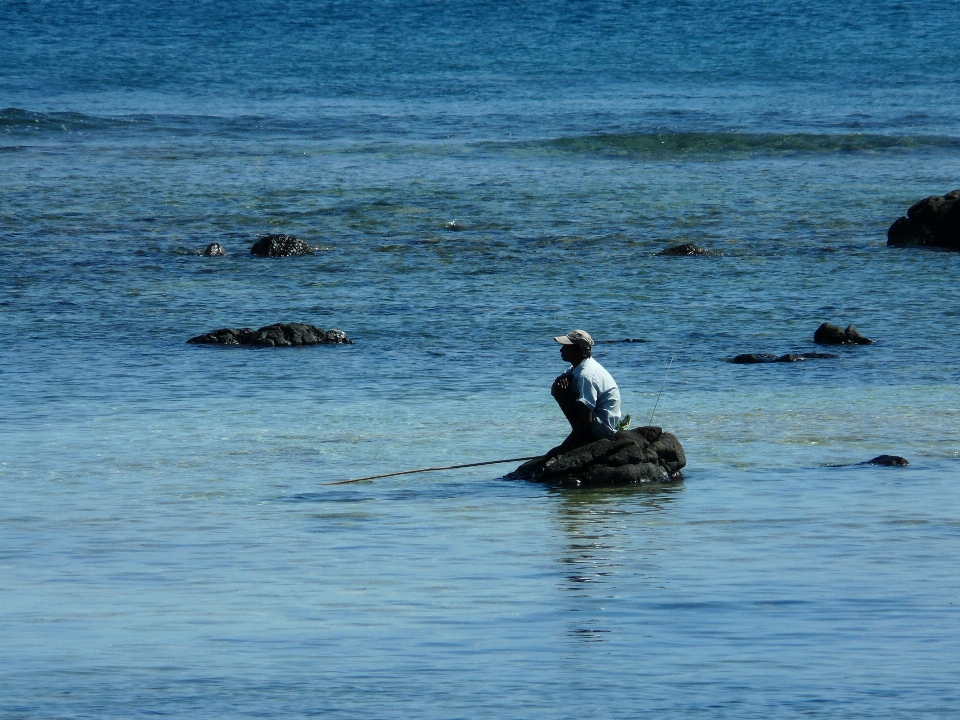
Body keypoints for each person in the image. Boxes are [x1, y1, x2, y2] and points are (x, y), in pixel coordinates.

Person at [548, 329, 622, 458]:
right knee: (560, 389)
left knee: (562, 391)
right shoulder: (579, 367)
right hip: (597, 419)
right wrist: (561, 382)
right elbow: (555, 386)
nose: (561, 350)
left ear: (580, 350)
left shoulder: (587, 375)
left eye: (566, 347)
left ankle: (585, 440)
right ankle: (581, 437)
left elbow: (586, 418)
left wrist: (563, 448)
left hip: (603, 428)